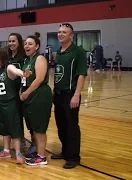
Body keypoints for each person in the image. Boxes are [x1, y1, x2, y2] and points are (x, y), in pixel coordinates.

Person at [8, 35, 52, 165]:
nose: (27, 46)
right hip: (30, 97)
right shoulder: (28, 61)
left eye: (30, 44)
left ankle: (41, 157)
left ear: (37, 46)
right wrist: (22, 90)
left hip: (40, 95)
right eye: (26, 44)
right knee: (34, 127)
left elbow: (39, 79)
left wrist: (26, 93)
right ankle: (38, 152)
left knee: (40, 128)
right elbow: (25, 79)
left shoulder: (40, 58)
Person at [52, 23, 87, 169]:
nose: (60, 34)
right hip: (58, 94)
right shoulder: (59, 51)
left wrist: (76, 95)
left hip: (70, 94)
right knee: (61, 125)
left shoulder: (78, 51)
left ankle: (73, 157)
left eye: (64, 32)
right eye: (59, 32)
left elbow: (81, 74)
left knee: (72, 126)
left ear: (71, 35)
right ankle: (65, 151)